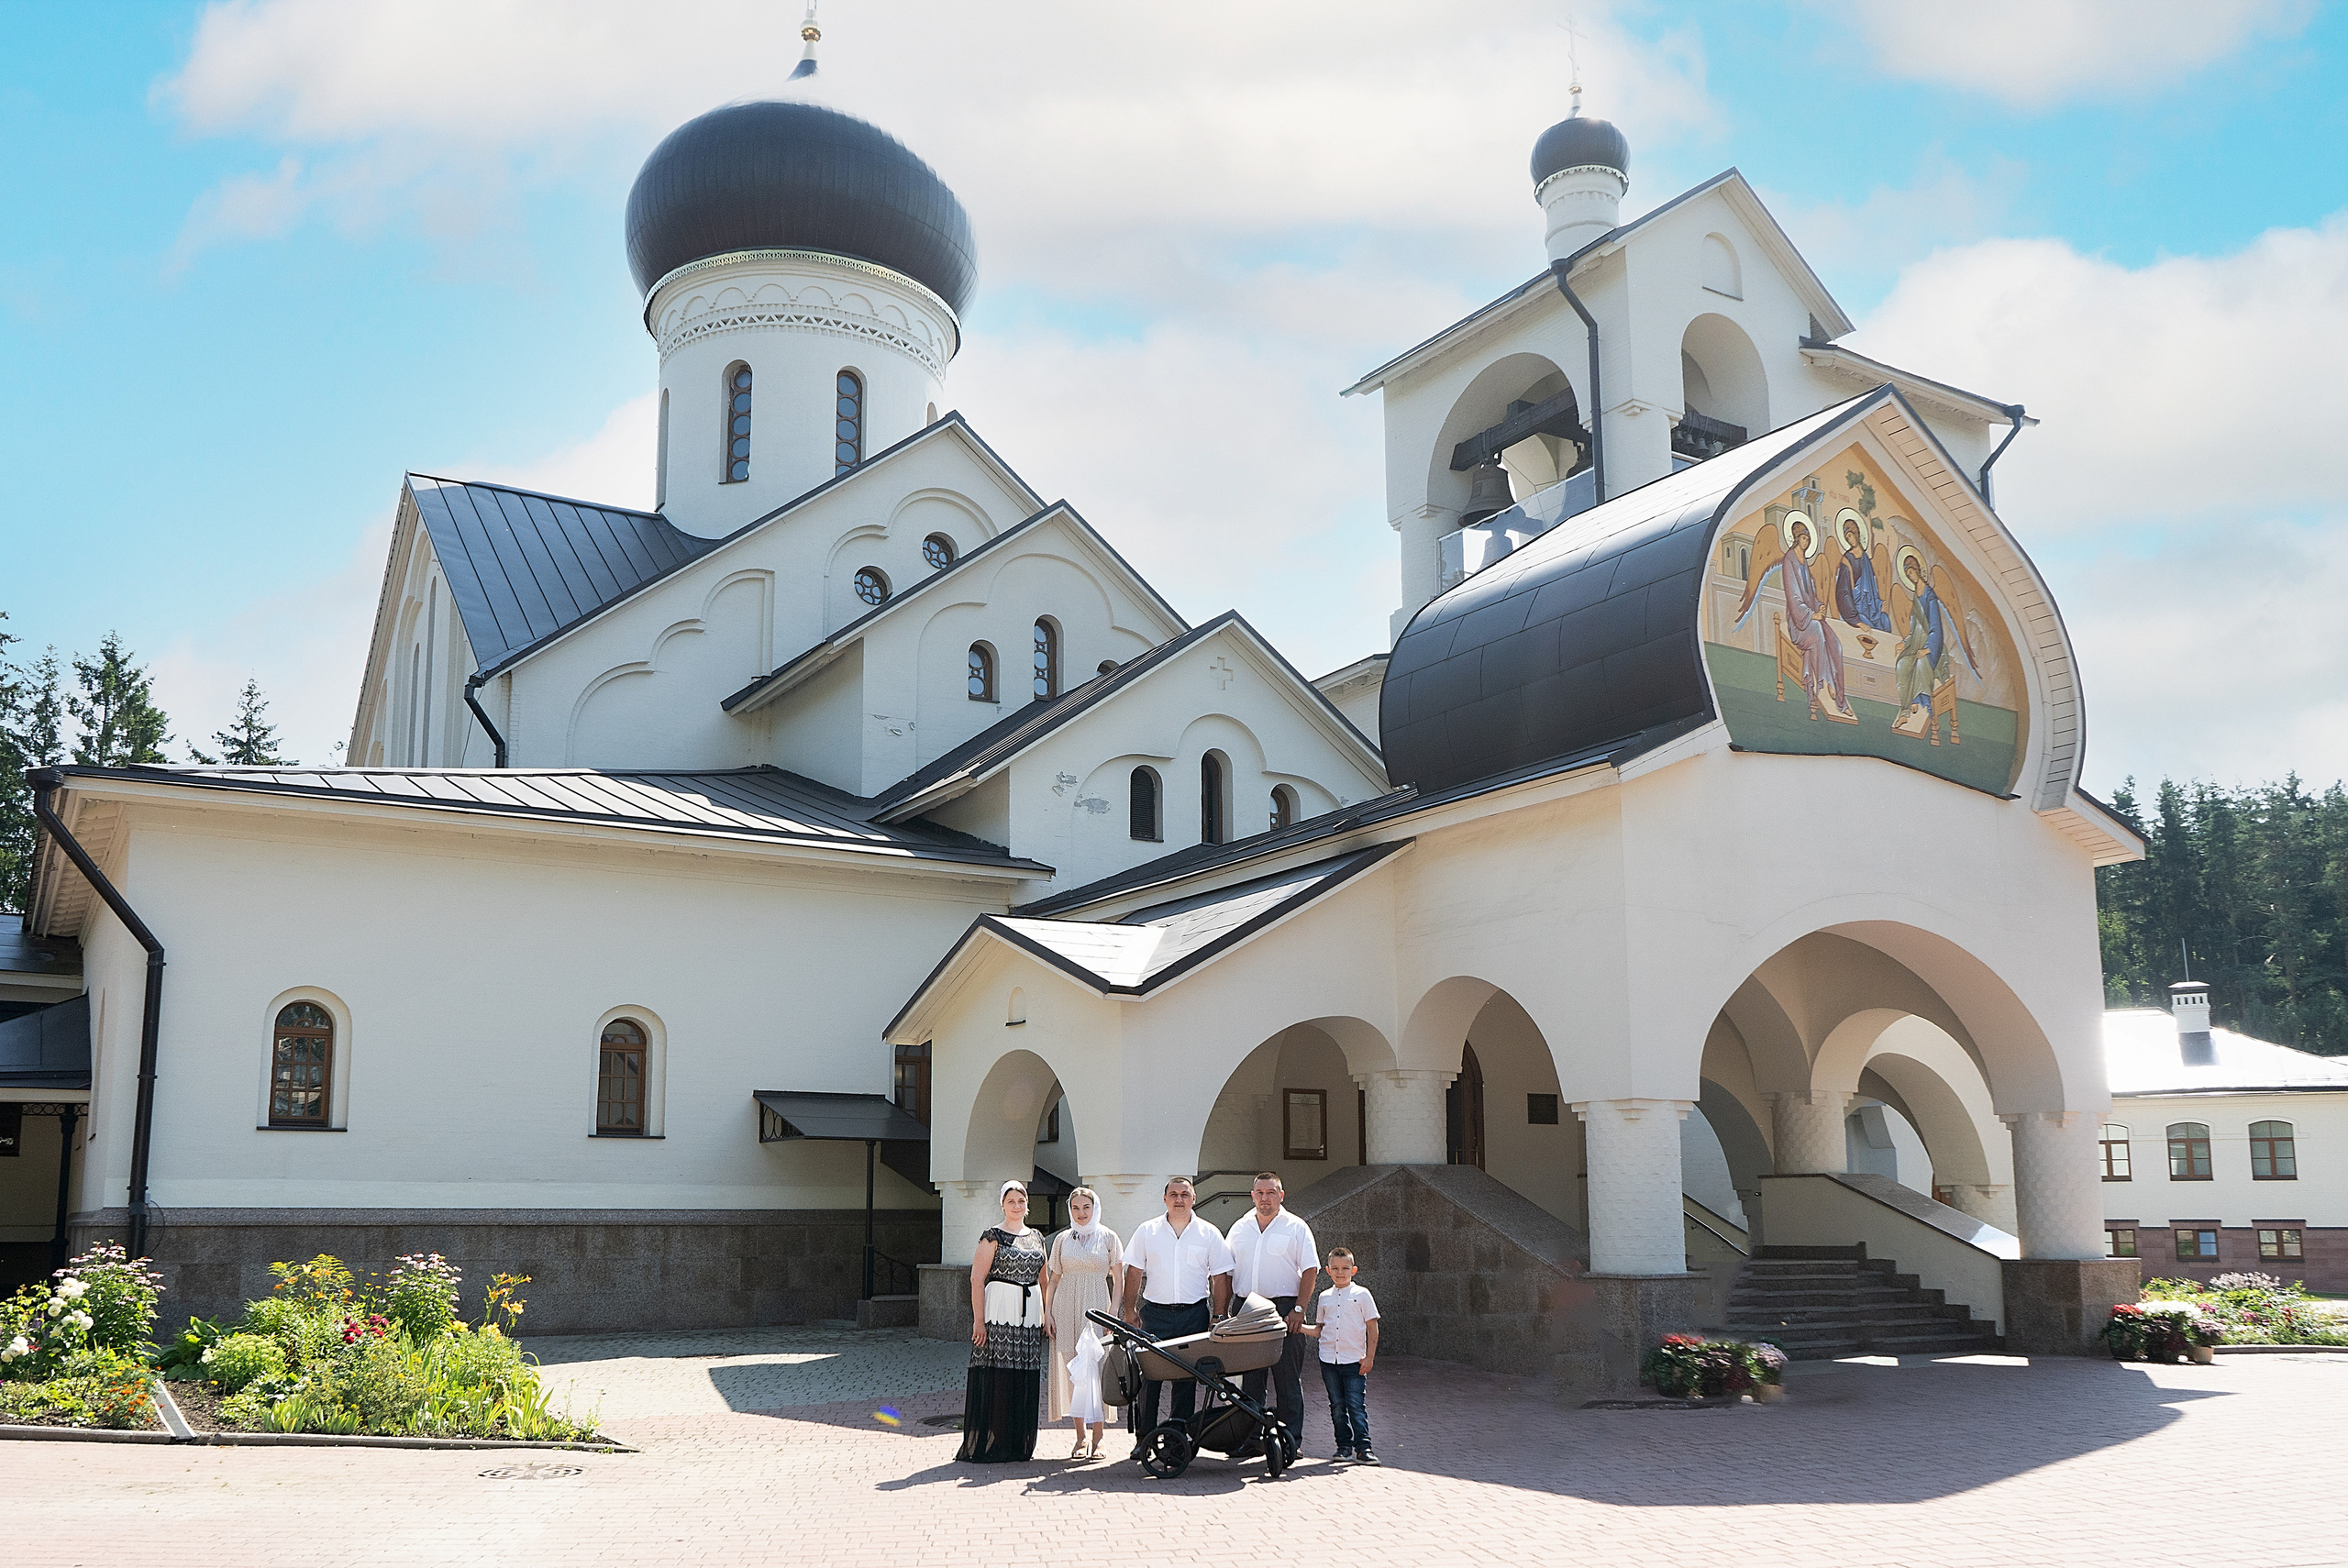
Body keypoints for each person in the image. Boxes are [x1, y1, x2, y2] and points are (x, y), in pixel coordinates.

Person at [1118, 1175, 1234, 1458]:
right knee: (1149, 1380)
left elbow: (1221, 1278)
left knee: (1186, 1380)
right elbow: (1133, 1270)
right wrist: (1130, 1310)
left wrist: (1218, 1315)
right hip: (1154, 1315)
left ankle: (1177, 1438)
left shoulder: (1209, 1233)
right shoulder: (1148, 1231)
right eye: (1174, 1194)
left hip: (1193, 1315)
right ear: (1165, 1199)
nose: (1179, 1199)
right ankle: (1144, 1440)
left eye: (1184, 1194)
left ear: (1193, 1198)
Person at [957, 1179, 1049, 1463]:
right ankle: (996, 1442)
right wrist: (979, 1321)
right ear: (1002, 1204)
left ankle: (1019, 1443)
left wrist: (1047, 1316)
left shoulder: (1036, 1237)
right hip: (999, 1312)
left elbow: (1044, 1280)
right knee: (999, 1377)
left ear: (1027, 1205)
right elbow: (976, 1278)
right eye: (1011, 1201)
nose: (1016, 1206)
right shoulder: (992, 1236)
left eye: (1021, 1201)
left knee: (1024, 1376)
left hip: (1029, 1315)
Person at [1224, 1171, 1318, 1448]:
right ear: (1253, 1196)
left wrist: (1299, 1309)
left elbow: (1311, 1269)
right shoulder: (1239, 1228)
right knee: (1251, 1381)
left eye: (1271, 1192)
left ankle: (1291, 1442)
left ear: (1281, 1195)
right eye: (1260, 1193)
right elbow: (1228, 1273)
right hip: (1247, 1310)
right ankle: (1251, 1440)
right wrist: (1224, 1312)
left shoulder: (1296, 1227)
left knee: (1287, 1380)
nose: (1265, 1198)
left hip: (1285, 1309)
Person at [1041, 1185, 1124, 1460]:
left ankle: (1099, 1437)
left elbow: (1118, 1280)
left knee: (1098, 1371)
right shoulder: (1063, 1239)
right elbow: (1053, 1279)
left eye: (1086, 1207)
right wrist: (1048, 1312)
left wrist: (1112, 1314)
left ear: (1095, 1207)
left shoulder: (1109, 1237)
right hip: (1066, 1309)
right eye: (1076, 1208)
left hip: (1098, 1309)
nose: (1081, 1213)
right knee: (1073, 1372)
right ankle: (1080, 1437)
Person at [1300, 1246, 1380, 1464]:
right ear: (1327, 1270)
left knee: (1356, 1404)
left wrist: (1369, 1357)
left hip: (1354, 1361)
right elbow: (1319, 1330)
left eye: (1345, 1268)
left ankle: (1364, 1447)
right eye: (1335, 1268)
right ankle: (1343, 1447)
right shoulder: (1324, 1297)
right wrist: (1297, 1327)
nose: (1340, 1272)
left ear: (1354, 1270)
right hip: (1329, 1361)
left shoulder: (1362, 1295)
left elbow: (1372, 1327)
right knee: (1337, 1405)